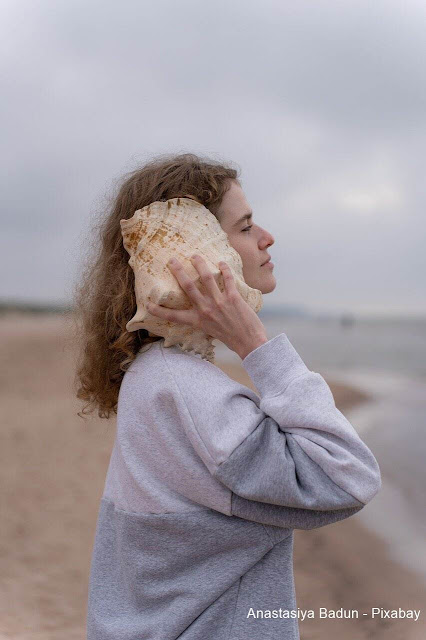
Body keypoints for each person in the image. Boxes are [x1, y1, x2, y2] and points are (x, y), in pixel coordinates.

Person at [76, 152, 381, 640]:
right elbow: (348, 478)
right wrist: (255, 344)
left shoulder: (155, 376)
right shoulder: (187, 393)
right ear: (194, 251)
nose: (266, 238)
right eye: (246, 227)